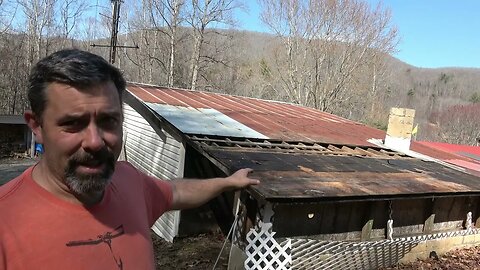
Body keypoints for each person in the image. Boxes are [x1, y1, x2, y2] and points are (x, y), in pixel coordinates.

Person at [0, 49, 260, 270]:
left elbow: (176, 192)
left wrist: (228, 182)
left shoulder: (129, 181)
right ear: (36, 126)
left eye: (108, 121)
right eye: (73, 123)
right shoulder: (6, 223)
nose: (95, 141)